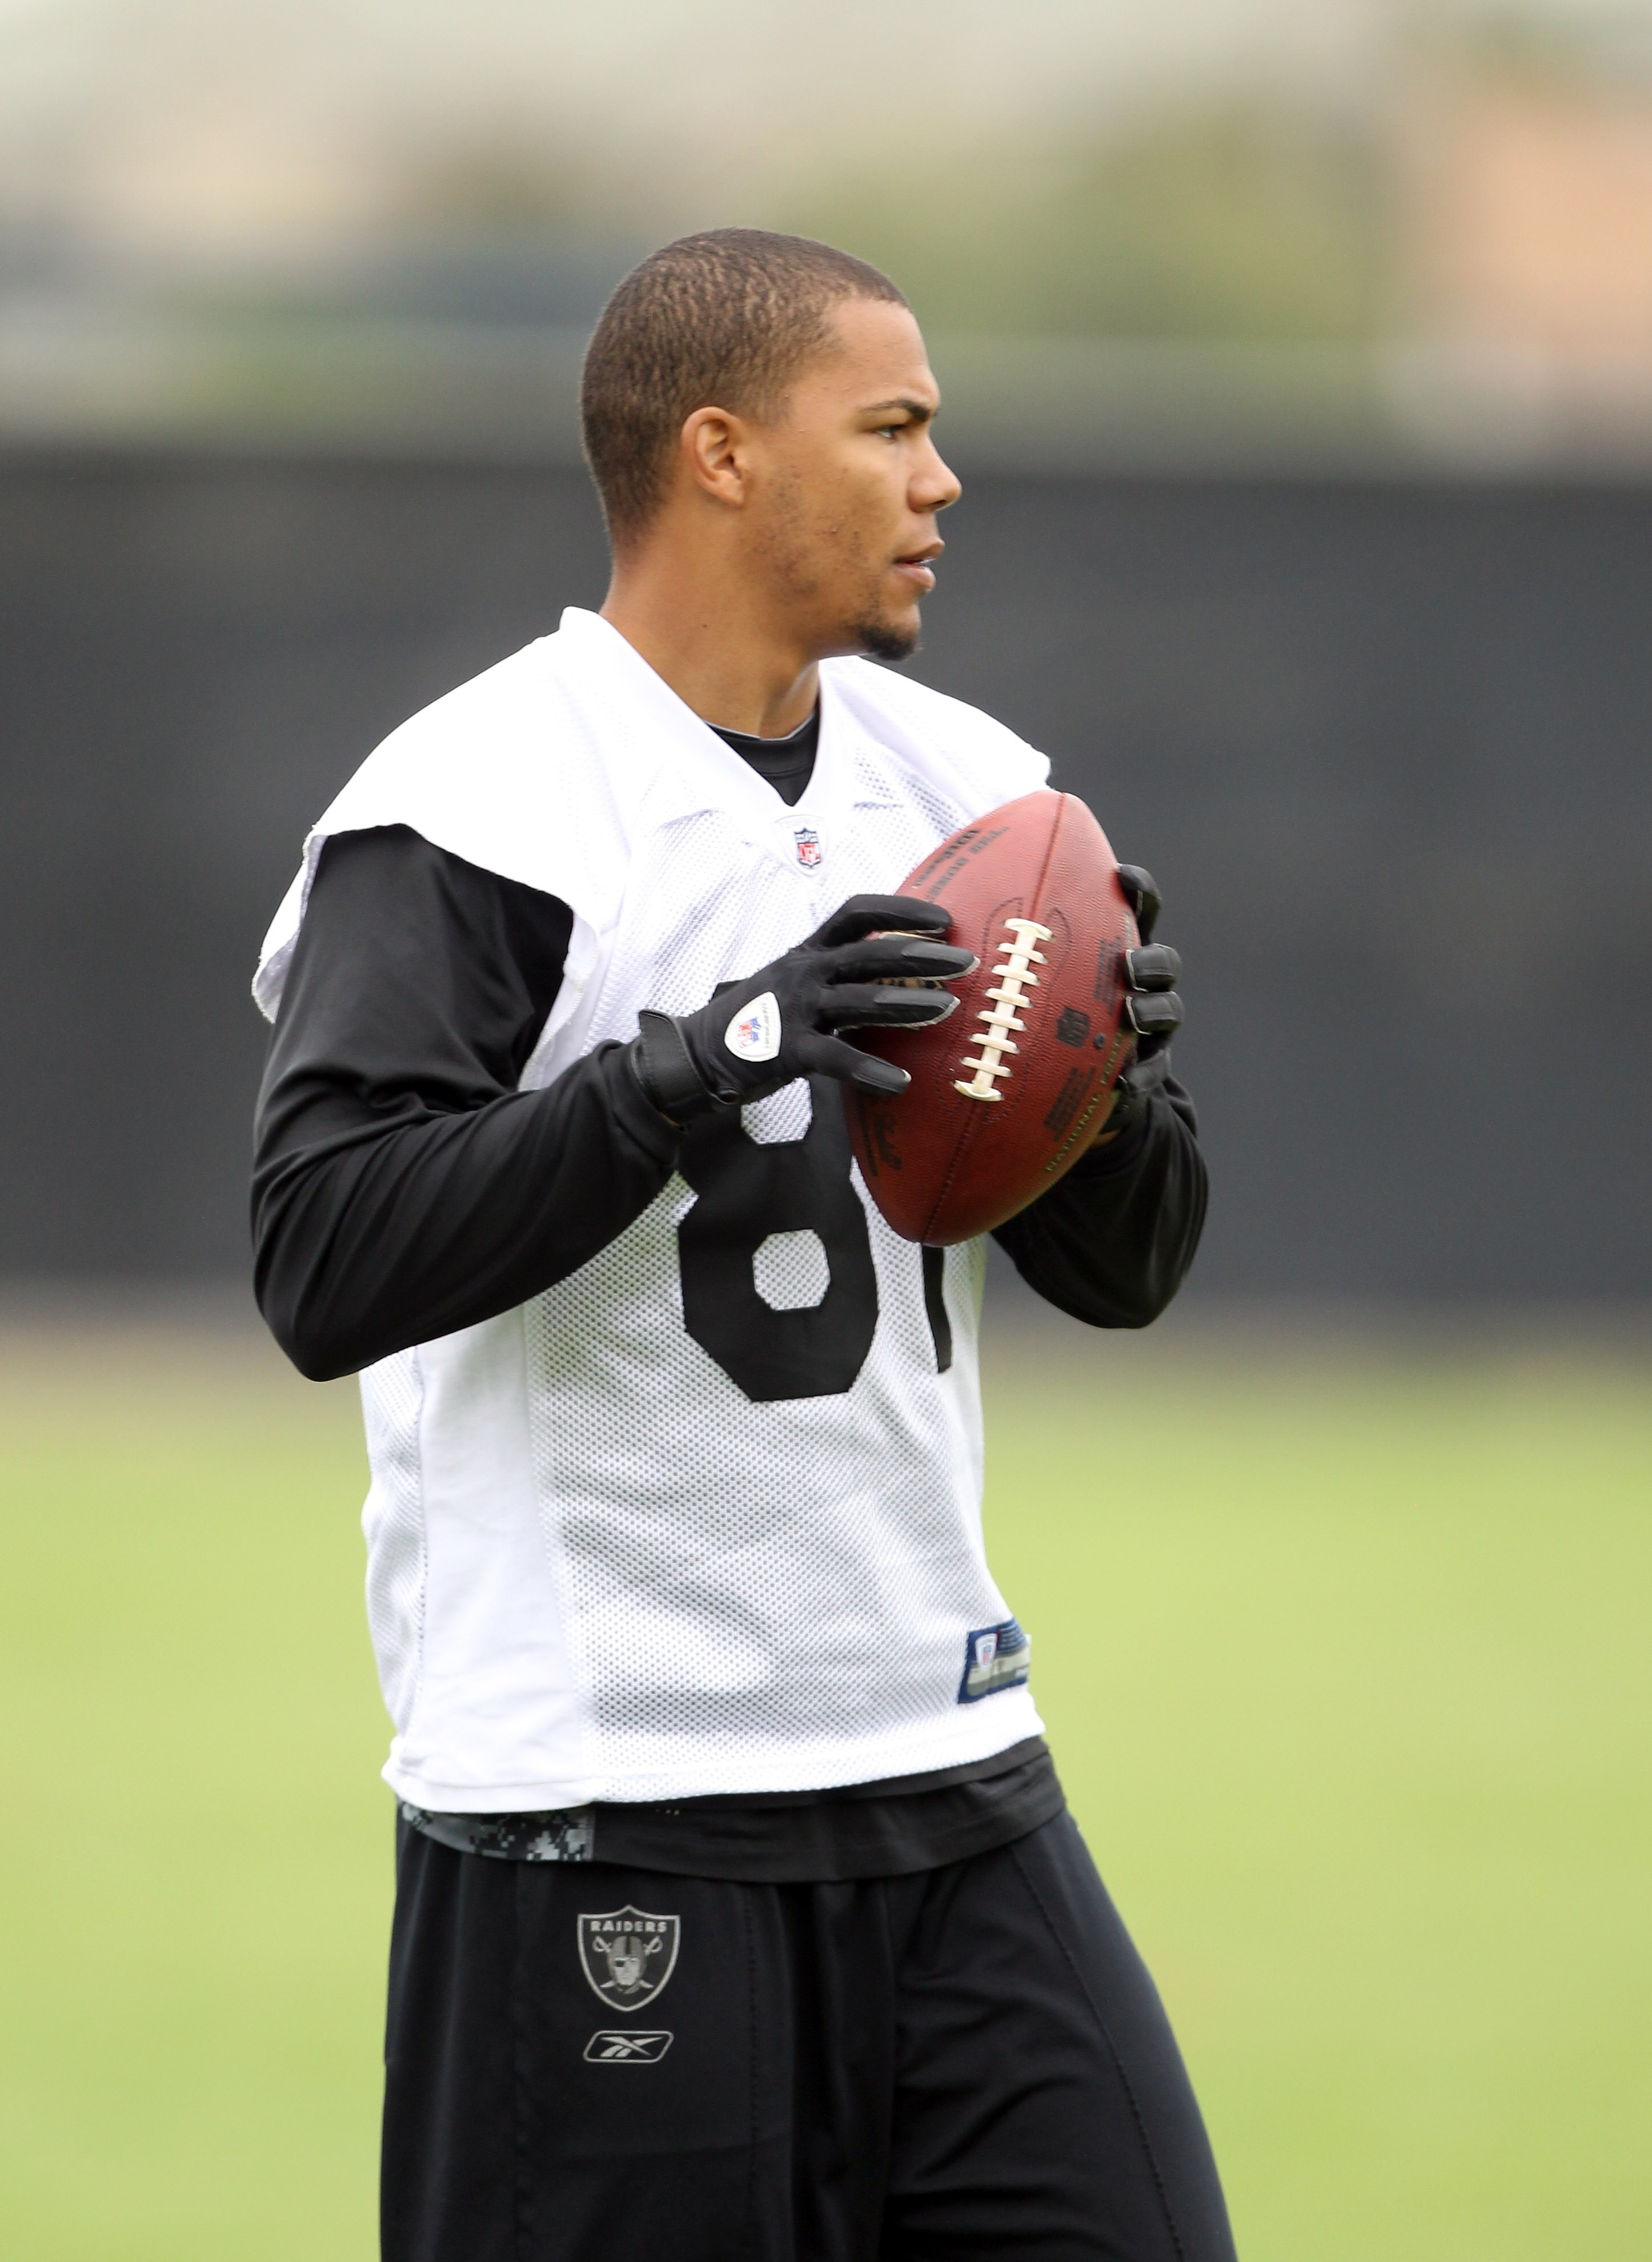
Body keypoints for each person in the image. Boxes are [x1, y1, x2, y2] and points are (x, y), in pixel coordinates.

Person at [251, 228, 1227, 2262]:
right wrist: (700, 1063)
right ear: (719, 452)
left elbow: (1127, 1275)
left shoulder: (969, 792)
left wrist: (1104, 1095)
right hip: (609, 1798)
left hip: (948, 1759)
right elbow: (324, 1260)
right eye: (890, 427)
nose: (938, 480)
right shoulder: (479, 802)